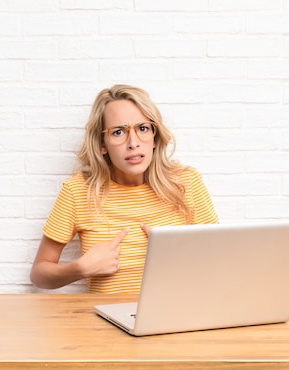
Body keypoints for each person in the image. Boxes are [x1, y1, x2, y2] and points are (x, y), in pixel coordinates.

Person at [30, 84, 218, 293]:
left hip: (175, 316)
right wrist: (80, 268)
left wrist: (179, 257)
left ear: (155, 136)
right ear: (102, 144)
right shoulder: (78, 191)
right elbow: (39, 275)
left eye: (143, 129)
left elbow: (220, 262)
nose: (133, 143)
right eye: (118, 132)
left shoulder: (187, 182)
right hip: (105, 321)